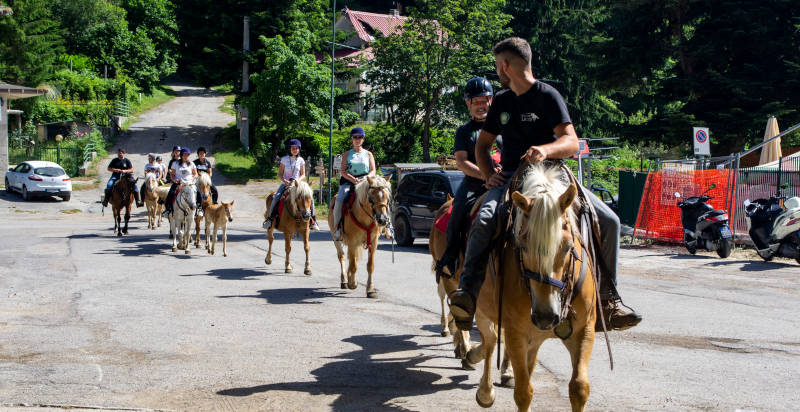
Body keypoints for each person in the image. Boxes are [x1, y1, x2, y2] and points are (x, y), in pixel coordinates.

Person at [448, 37, 641, 332]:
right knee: (484, 219)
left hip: (553, 174)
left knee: (610, 221)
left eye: (497, 64)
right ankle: (468, 294)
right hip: (513, 178)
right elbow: (482, 146)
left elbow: (571, 142)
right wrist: (488, 175)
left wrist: (546, 150)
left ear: (505, 65)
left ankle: (608, 301)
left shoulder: (548, 96)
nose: (496, 69)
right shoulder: (501, 100)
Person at [435, 77, 502, 278]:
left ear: (491, 101)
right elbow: (462, 162)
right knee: (457, 213)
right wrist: (486, 175)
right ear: (468, 104)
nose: (481, 106)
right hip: (475, 184)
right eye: (476, 102)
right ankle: (451, 258)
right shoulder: (464, 132)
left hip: (504, 182)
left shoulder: (503, 128)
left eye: (484, 101)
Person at [263, 139, 320, 231]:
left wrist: (297, 180)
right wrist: (285, 181)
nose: (295, 150)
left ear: (299, 149)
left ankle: (313, 220)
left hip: (298, 184)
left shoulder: (301, 160)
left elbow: (303, 174)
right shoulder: (284, 159)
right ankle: (269, 219)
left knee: (309, 198)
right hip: (285, 184)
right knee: (276, 197)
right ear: (289, 149)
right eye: (293, 148)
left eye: (297, 148)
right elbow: (280, 174)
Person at [331, 127, 376, 241]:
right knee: (339, 200)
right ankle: (337, 228)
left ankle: (386, 225)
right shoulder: (346, 154)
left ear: (363, 139)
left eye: (360, 137)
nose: (357, 139)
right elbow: (343, 171)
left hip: (365, 181)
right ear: (351, 139)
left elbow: (373, 170)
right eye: (355, 137)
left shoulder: (368, 154)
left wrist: (366, 178)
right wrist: (353, 180)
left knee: (381, 195)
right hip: (349, 182)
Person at [162, 147, 199, 216]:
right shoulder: (175, 164)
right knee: (171, 193)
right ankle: (168, 209)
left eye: (187, 155)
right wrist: (174, 180)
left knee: (198, 192)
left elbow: (195, 173)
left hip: (189, 183)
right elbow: (172, 174)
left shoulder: (191, 164)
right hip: (179, 183)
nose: (186, 156)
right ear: (181, 155)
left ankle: (199, 208)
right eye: (184, 155)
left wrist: (193, 177)